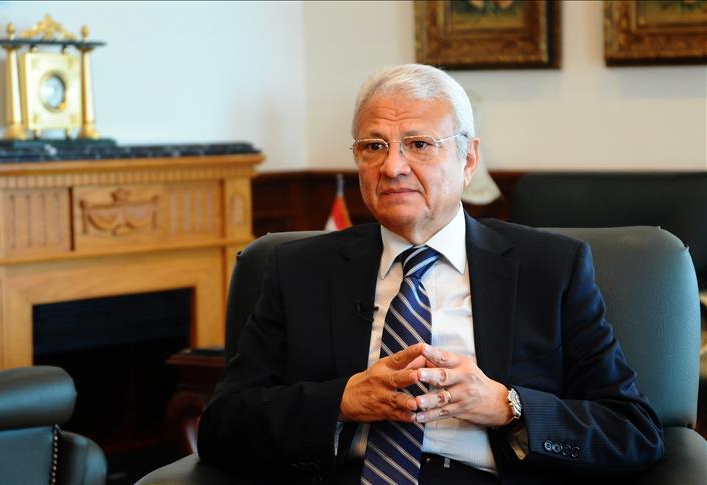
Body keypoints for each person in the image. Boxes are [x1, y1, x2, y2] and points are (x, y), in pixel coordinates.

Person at [197, 64, 663, 484]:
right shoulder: (298, 269)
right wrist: (342, 400)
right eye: (374, 147)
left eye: (419, 145)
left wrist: (507, 406)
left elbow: (633, 432)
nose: (392, 167)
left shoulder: (551, 267)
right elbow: (222, 427)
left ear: (468, 159)